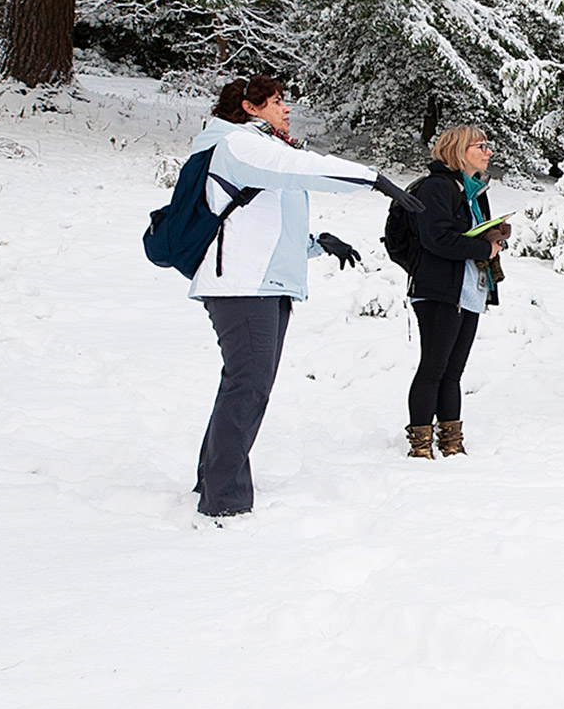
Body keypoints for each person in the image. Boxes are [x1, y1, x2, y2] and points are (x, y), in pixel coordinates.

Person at [185, 74, 414, 518]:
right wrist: (371, 179)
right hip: (242, 287)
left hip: (262, 284)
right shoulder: (238, 144)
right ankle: (224, 501)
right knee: (248, 388)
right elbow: (300, 168)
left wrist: (316, 242)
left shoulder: (259, 149)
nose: (286, 109)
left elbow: (260, 224)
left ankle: (212, 479)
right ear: (250, 108)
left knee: (243, 386)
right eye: (275, 101)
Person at [401, 126, 512, 460]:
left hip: (469, 288)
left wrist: (494, 239)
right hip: (438, 288)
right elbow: (436, 238)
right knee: (433, 367)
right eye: (481, 146)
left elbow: (467, 235)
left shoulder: (475, 190)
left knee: (453, 371)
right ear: (459, 149)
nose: (488, 152)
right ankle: (420, 444)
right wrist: (481, 245)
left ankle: (451, 440)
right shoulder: (437, 187)